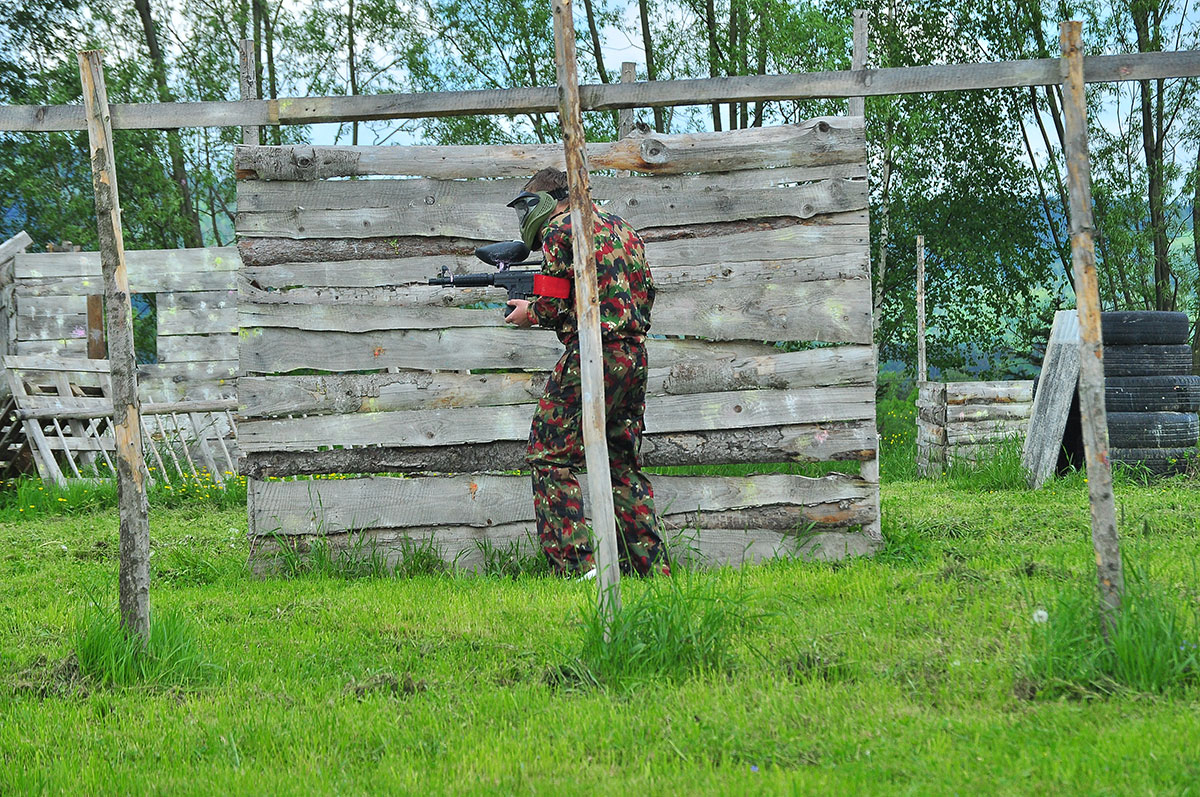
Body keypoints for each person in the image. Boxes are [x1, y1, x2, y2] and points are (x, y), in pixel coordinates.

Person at [502, 167, 668, 578]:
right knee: (620, 464)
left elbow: (555, 302)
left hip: (595, 353)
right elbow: (644, 291)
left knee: (548, 454)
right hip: (634, 355)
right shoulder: (622, 228)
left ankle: (577, 569)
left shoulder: (561, 229)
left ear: (545, 201)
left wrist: (529, 312)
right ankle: (650, 571)